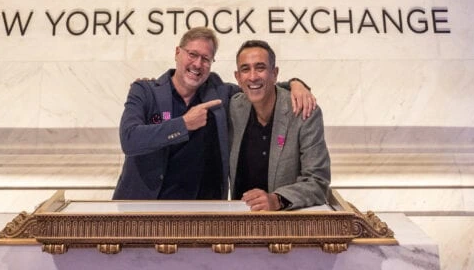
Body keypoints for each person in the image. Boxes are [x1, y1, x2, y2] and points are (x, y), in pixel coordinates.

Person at [112, 27, 316, 200]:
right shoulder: (145, 91)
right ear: (177, 53)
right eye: (192, 55)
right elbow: (130, 140)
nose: (198, 64)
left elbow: (257, 87)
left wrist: (295, 84)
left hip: (204, 215)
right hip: (143, 209)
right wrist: (183, 124)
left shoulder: (220, 93)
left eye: (206, 59)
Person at [229, 39, 331, 210]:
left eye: (260, 68)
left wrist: (277, 200)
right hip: (240, 221)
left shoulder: (304, 111)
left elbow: (317, 182)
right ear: (238, 78)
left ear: (274, 73)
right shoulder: (233, 106)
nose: (253, 76)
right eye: (245, 69)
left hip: (288, 223)